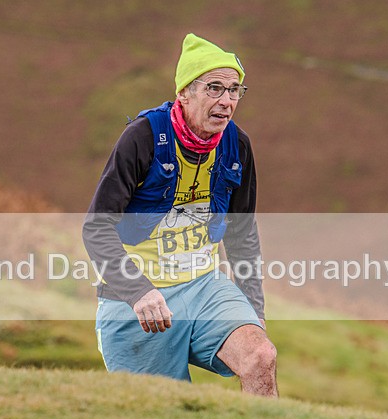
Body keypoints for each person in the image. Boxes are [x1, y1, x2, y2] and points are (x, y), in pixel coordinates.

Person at [82, 33, 277, 397]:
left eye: (235, 90)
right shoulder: (141, 137)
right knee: (161, 415)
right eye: (214, 88)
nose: (226, 101)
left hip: (206, 288)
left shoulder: (237, 144)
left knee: (260, 355)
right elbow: (96, 228)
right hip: (137, 299)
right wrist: (138, 291)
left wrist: (254, 306)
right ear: (185, 92)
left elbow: (242, 234)